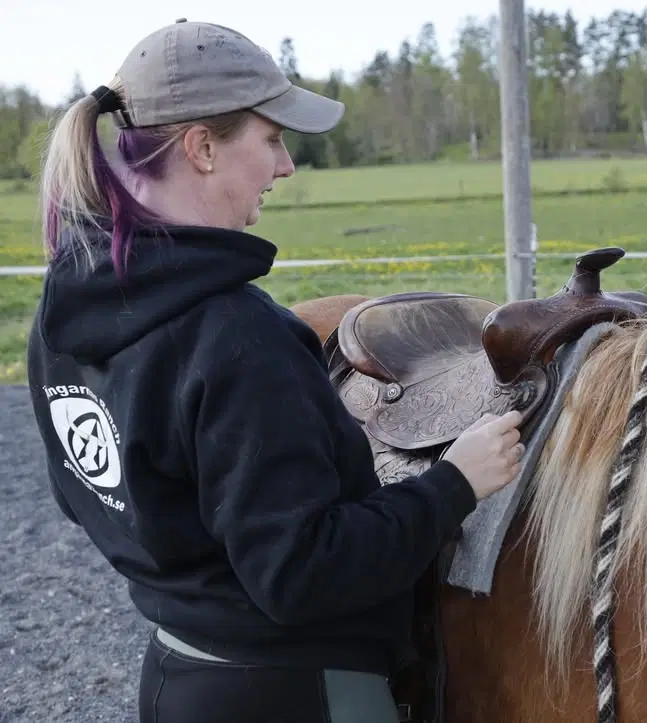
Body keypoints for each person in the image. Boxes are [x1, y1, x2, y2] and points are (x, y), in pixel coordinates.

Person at [26, 19, 525, 723]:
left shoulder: (67, 302)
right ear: (202, 148)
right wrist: (454, 483)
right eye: (270, 138)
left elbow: (82, 490)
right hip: (299, 692)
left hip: (175, 672)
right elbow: (304, 573)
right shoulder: (237, 338)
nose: (287, 165)